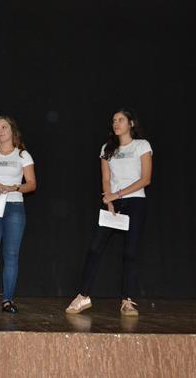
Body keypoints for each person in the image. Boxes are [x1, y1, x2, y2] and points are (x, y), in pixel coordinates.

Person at [66, 108, 152, 316]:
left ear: (131, 124)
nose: (116, 123)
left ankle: (127, 301)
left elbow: (145, 179)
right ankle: (83, 296)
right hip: (113, 202)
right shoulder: (107, 148)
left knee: (130, 252)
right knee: (95, 248)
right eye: (114, 120)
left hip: (135, 201)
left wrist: (118, 194)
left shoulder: (142, 145)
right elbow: (106, 178)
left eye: (121, 120)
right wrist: (109, 199)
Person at [0, 115, 36, 313]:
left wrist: (13, 187)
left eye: (3, 127)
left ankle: (8, 300)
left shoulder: (23, 155)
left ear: (12, 130)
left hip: (14, 207)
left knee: (11, 255)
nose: (0, 131)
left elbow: (32, 184)